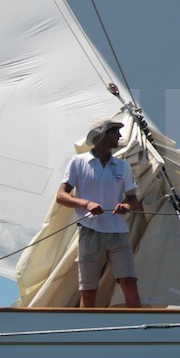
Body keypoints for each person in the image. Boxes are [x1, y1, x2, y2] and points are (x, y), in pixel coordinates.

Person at [56, 118, 143, 308]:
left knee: (129, 281)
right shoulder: (78, 162)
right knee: (89, 288)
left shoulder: (123, 166)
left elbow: (133, 200)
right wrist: (85, 203)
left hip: (118, 232)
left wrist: (127, 206)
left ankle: (139, 327)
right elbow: (61, 196)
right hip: (90, 230)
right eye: (115, 132)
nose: (119, 136)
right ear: (103, 134)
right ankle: (86, 329)